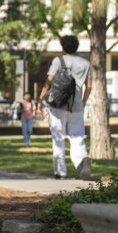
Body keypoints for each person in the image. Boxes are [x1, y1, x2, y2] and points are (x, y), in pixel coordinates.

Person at [38, 35, 92, 179]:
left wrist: (41, 99)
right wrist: (83, 102)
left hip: (58, 105)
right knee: (77, 136)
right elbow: (89, 86)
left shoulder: (58, 61)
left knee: (58, 137)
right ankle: (82, 160)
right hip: (76, 105)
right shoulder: (85, 63)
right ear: (76, 47)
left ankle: (60, 172)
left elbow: (48, 82)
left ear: (62, 47)